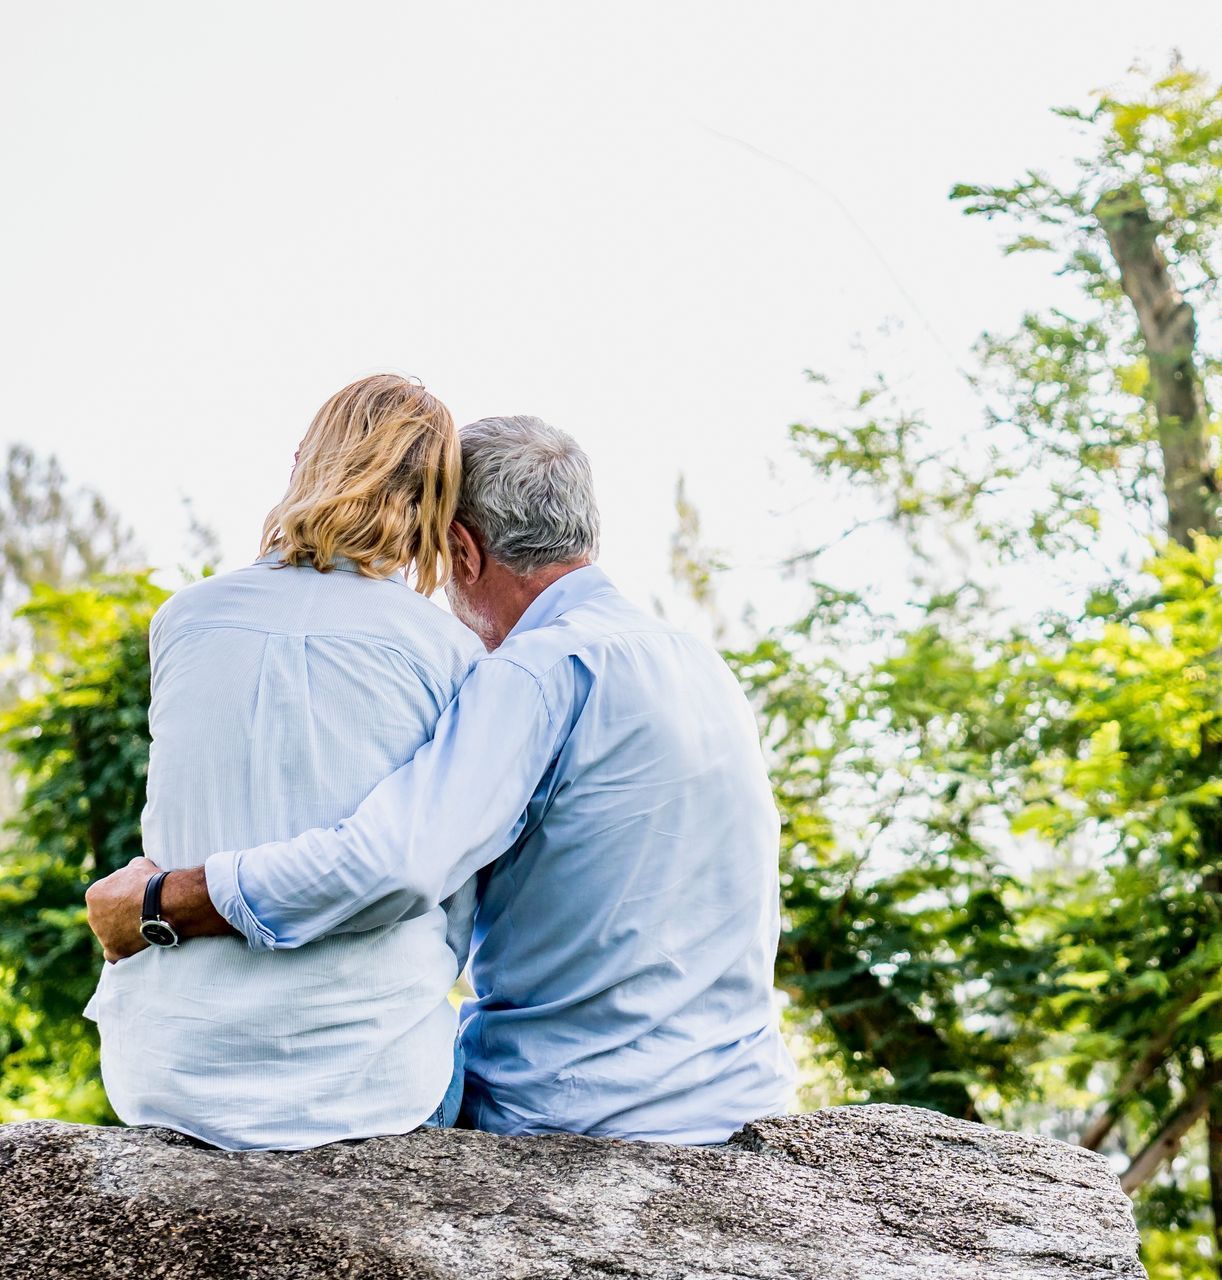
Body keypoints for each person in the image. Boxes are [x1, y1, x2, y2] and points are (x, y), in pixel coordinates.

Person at [88, 415, 797, 1145]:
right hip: (741, 1095)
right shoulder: (696, 662)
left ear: (460, 549)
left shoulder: (532, 674)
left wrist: (166, 899)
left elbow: (393, 864)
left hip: (576, 1110)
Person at [85, 373, 479, 1150]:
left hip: (168, 1072)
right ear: (439, 511)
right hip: (368, 1084)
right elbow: (450, 895)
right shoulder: (453, 655)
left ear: (304, 460)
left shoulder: (184, 620)